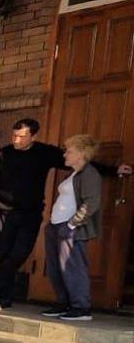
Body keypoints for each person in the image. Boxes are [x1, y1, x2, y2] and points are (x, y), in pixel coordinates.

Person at [0, 118, 129, 310]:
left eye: (21, 136)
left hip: (31, 215)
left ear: (33, 136)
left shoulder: (44, 153)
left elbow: (78, 161)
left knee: (20, 253)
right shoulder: (2, 154)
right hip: (3, 213)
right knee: (5, 256)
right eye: (14, 135)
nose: (16, 140)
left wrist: (114, 169)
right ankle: (0, 300)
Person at [41, 134, 103, 322]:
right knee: (55, 268)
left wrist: (71, 224)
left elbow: (91, 202)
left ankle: (81, 308)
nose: (65, 154)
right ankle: (64, 303)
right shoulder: (73, 174)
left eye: (69, 151)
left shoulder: (89, 173)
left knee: (73, 267)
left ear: (82, 154)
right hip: (56, 226)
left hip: (70, 228)